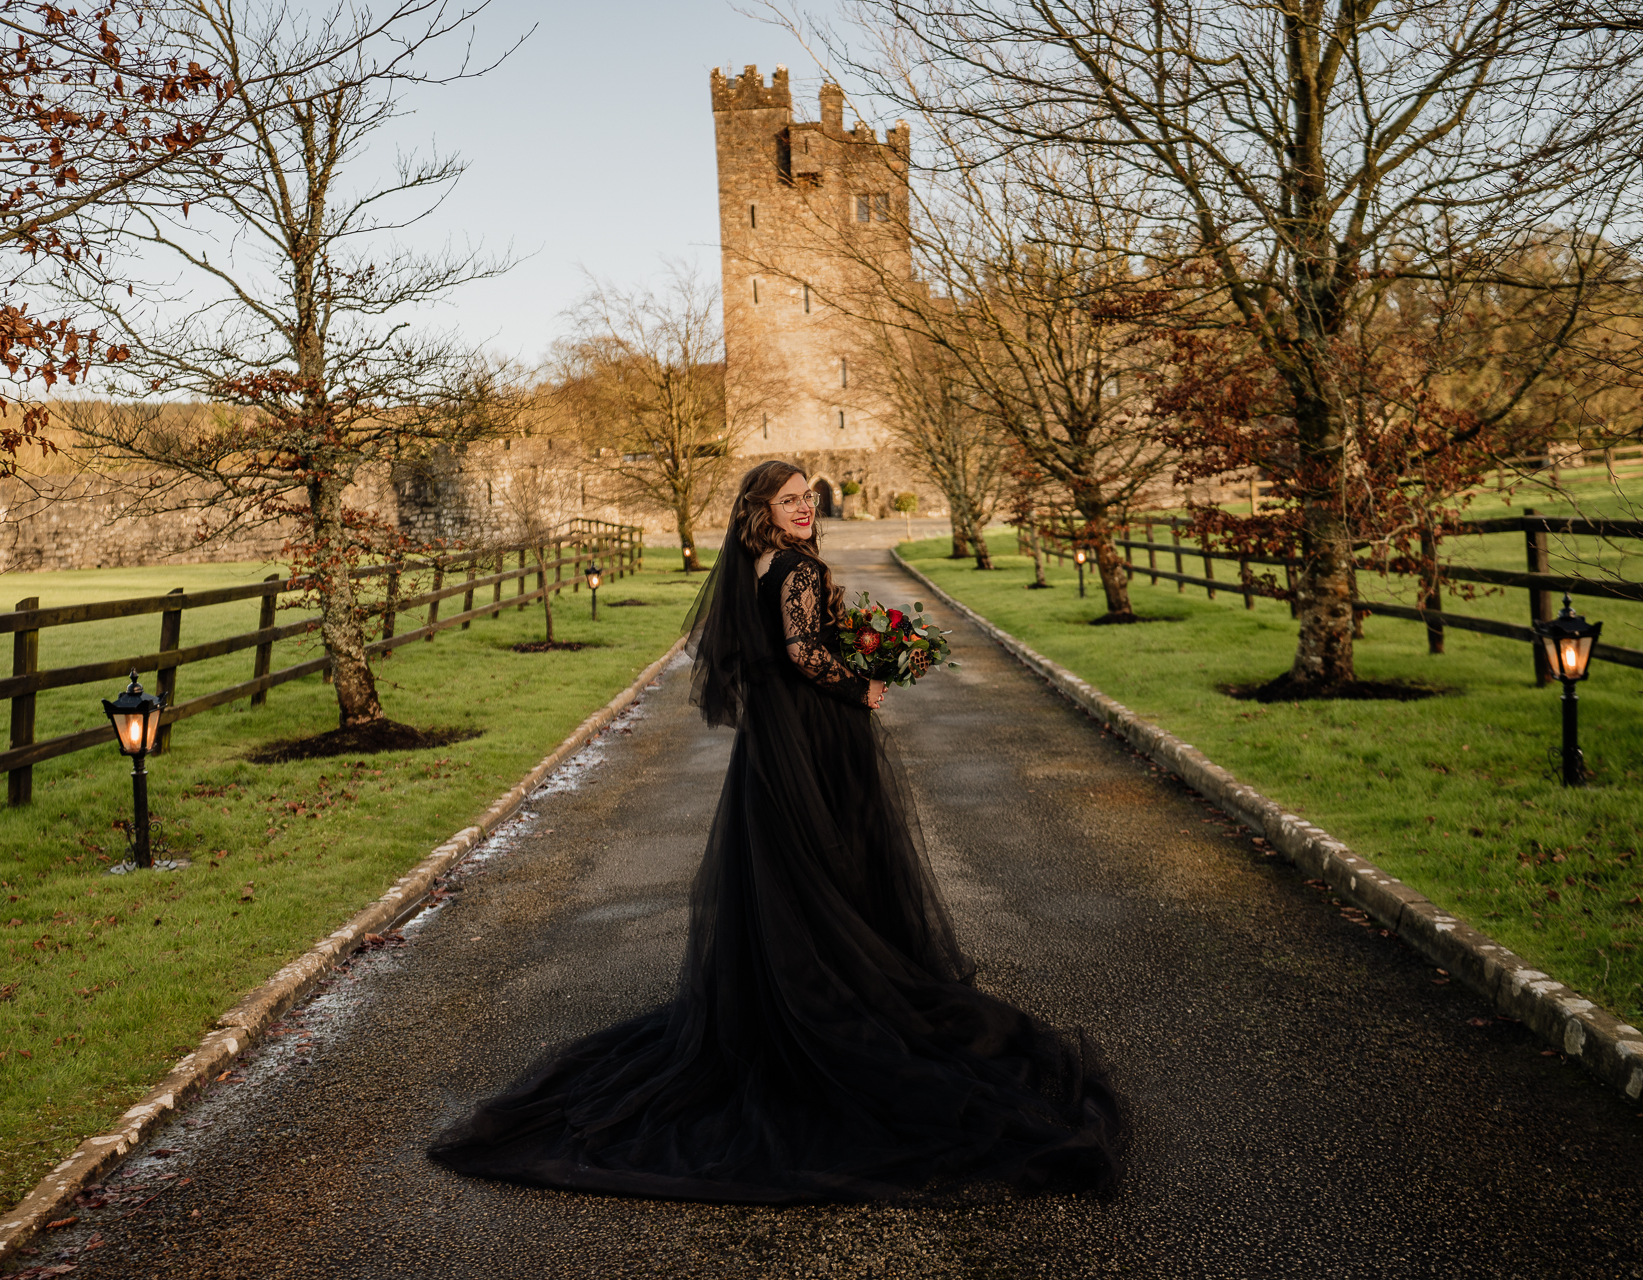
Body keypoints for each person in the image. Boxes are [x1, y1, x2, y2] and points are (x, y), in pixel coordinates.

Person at [427, 460, 1123, 1202]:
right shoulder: (792, 566)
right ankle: (834, 1004)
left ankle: (797, 988)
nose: (803, 508)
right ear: (761, 507)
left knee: (791, 872)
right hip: (814, 732)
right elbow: (801, 652)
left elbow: (771, 647)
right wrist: (864, 681)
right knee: (829, 865)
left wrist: (854, 636)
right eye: (788, 500)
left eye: (807, 498)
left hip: (772, 740)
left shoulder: (755, 562)